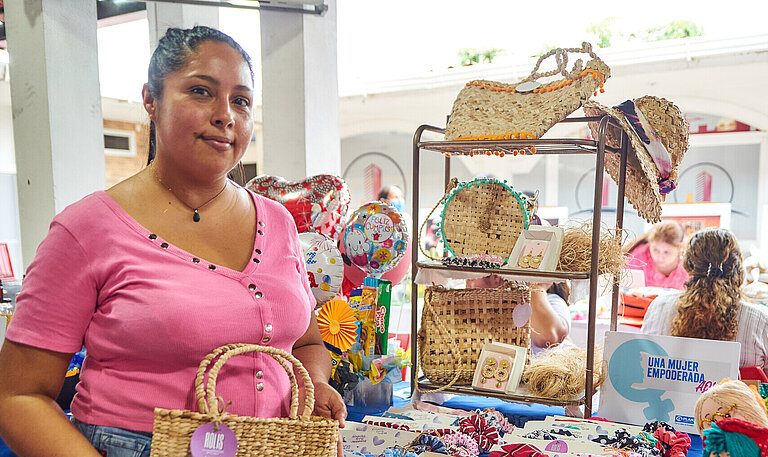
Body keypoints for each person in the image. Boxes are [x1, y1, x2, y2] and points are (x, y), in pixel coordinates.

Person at [0, 26, 345, 457]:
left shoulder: (277, 221)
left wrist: (312, 384)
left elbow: (306, 342)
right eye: (201, 92)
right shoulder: (87, 230)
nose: (226, 115)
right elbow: (18, 398)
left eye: (241, 100)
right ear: (151, 99)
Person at [642, 228, 768, 372]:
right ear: (737, 266)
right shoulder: (761, 321)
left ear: (688, 265)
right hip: (737, 394)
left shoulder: (658, 308)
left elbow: (645, 365)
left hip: (666, 394)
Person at [465, 276, 570, 356]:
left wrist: (537, 287)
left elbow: (547, 337)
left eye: (471, 279)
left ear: (495, 277)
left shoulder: (552, 301)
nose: (467, 284)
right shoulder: (481, 308)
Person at [625, 220, 689, 289]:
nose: (660, 257)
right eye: (656, 250)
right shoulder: (636, 258)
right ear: (649, 244)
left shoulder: (689, 267)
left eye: (666, 252)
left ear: (679, 248)